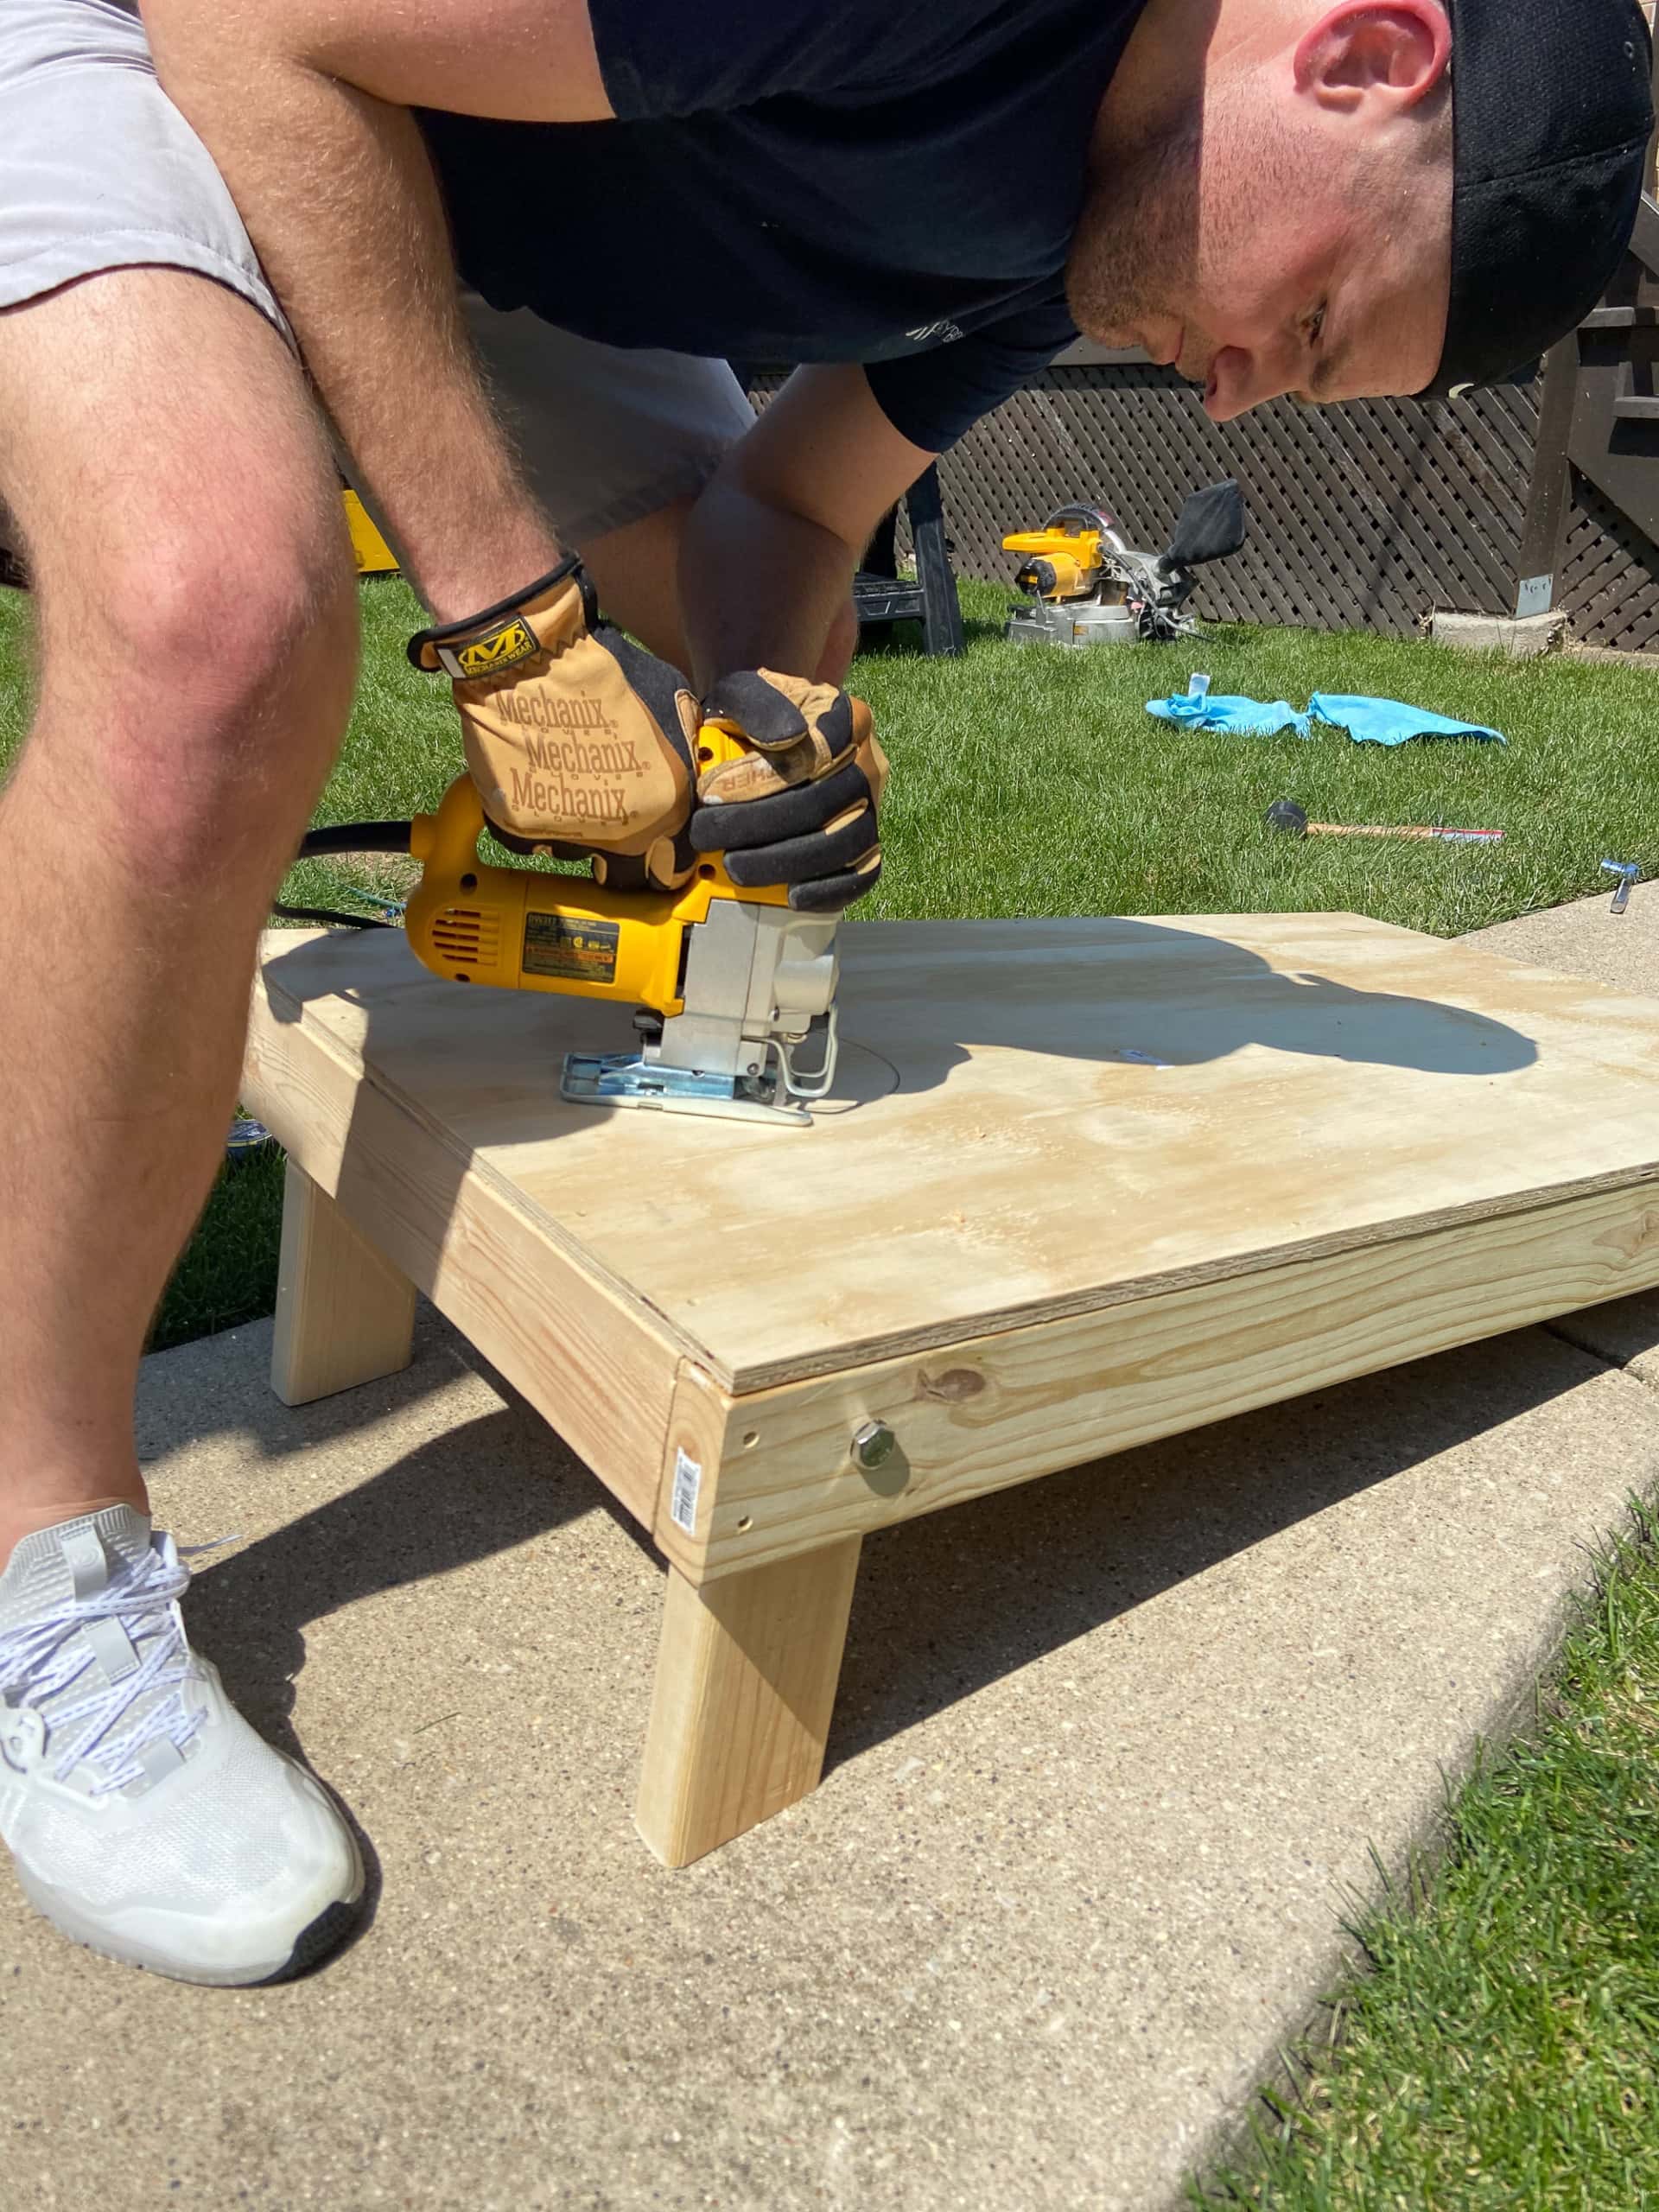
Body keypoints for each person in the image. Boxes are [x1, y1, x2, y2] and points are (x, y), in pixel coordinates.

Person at [0, 0, 1649, 1986]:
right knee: (221, 616)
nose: (1228, 398)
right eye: (1304, 324)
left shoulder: (1067, 246)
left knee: (714, 667)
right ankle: (38, 1555)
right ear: (1363, 56)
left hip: (463, 174)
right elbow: (260, 37)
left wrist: (773, 723)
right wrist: (511, 626)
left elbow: (780, 519)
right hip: (181, 19)